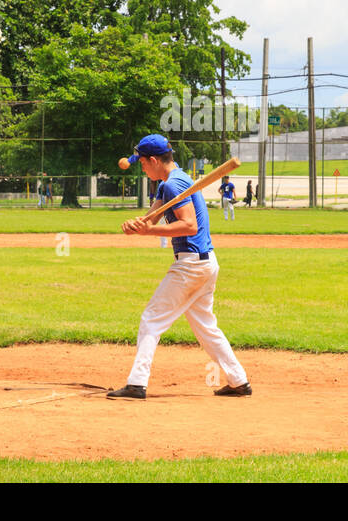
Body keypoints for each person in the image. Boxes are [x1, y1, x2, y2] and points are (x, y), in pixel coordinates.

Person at [107, 134, 251, 400]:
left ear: (153, 160)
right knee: (206, 328)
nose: (141, 167)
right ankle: (238, 380)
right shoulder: (169, 184)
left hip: (191, 265)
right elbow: (151, 219)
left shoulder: (175, 185)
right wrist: (137, 225)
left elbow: (189, 226)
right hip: (204, 263)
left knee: (151, 318)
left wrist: (147, 232)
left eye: (142, 163)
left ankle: (137, 384)